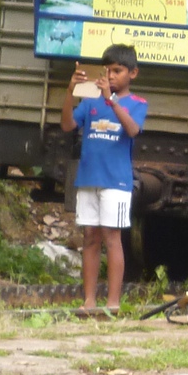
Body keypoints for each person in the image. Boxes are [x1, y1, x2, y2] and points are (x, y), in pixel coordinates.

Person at [70, 45, 146, 318]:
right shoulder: (90, 102)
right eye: (108, 70)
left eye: (118, 70)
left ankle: (112, 302)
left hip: (116, 181)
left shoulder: (137, 103)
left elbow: (133, 129)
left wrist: (111, 101)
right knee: (90, 237)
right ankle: (88, 300)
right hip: (89, 177)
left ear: (132, 73)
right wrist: (70, 92)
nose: (111, 76)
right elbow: (67, 125)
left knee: (113, 238)